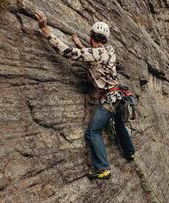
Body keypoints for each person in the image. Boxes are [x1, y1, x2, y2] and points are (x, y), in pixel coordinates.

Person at [34, 9, 135, 180]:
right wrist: (82, 46)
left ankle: (102, 168)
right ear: (105, 39)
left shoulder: (95, 53)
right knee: (119, 125)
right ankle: (130, 153)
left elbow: (67, 52)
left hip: (109, 100)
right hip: (120, 98)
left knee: (92, 132)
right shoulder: (110, 50)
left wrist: (45, 29)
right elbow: (98, 60)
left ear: (91, 36)